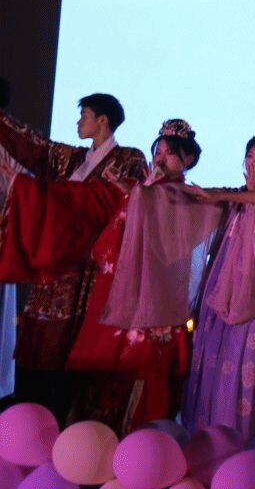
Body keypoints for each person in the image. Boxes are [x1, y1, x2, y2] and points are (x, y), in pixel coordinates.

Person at [69, 120, 222, 434]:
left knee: (146, 364)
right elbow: (144, 210)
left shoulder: (185, 196)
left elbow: (168, 227)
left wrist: (138, 192)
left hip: (159, 293)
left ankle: (142, 437)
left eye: (169, 153)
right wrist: (130, 190)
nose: (161, 158)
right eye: (158, 151)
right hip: (135, 287)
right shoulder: (152, 190)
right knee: (113, 364)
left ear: (188, 159)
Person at [0, 96, 148, 417]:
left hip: (91, 273)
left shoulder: (129, 159)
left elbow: (117, 202)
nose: (79, 122)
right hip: (56, 269)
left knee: (69, 365)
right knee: (38, 358)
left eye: (85, 115)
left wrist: (33, 188)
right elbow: (34, 146)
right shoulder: (72, 159)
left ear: (103, 120)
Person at [178, 134, 255, 440]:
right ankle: (204, 436)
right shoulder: (235, 198)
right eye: (250, 156)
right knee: (212, 358)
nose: (254, 163)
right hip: (221, 287)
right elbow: (203, 201)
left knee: (246, 363)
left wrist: (233, 196)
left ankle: (243, 437)